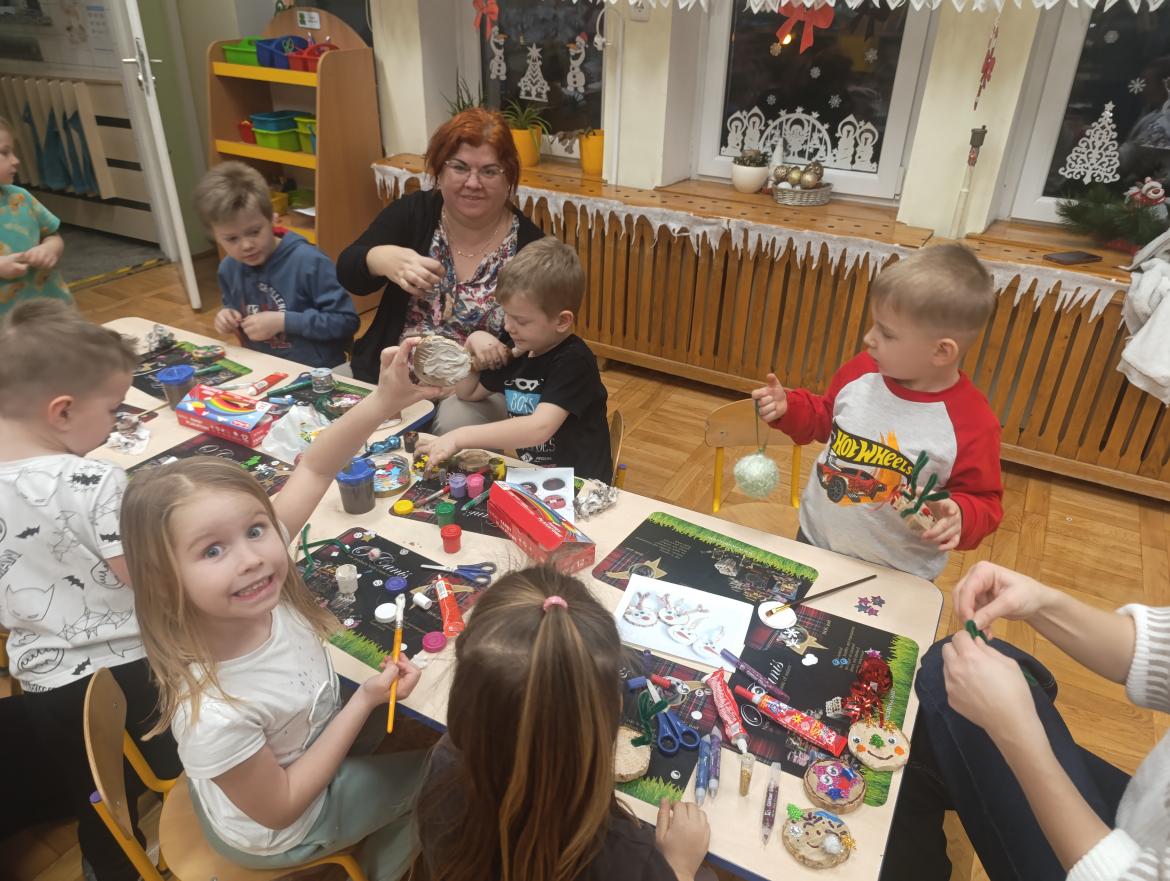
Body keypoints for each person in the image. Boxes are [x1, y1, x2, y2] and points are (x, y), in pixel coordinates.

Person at [120, 341, 441, 881]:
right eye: (212, 550)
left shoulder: (249, 578)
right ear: (164, 578)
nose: (251, 558)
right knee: (447, 776)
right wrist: (364, 699)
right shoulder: (213, 713)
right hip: (286, 825)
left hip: (291, 752)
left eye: (255, 528)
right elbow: (284, 805)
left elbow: (315, 467)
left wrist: (384, 401)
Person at [0, 300, 180, 881]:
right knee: (183, 763)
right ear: (63, 410)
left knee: (98, 796)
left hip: (42, 683)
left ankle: (109, 868)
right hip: (133, 671)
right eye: (113, 409)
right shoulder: (94, 480)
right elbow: (149, 583)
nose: (115, 423)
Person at [415, 566, 711, 881]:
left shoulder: (444, 765)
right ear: (611, 713)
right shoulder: (629, 860)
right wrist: (680, 867)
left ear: (465, 699)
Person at [881, 561, 1155, 881]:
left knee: (939, 703)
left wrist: (1015, 731)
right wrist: (1042, 602)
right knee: (940, 687)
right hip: (1149, 811)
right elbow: (1157, 650)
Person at [751, 243, 1003, 581]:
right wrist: (789, 407)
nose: (869, 338)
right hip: (815, 541)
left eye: (886, 332)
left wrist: (961, 513)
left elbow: (986, 500)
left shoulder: (973, 424)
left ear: (941, 352)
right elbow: (825, 417)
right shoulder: (862, 371)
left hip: (896, 575)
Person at [336, 108, 544, 431]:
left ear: (509, 178)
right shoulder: (415, 213)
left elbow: (541, 341)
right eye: (459, 167)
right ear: (439, 169)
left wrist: (496, 351)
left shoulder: (530, 247)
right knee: (322, 403)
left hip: (473, 391)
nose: (473, 183)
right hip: (392, 373)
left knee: (453, 428)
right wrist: (380, 258)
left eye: (490, 171)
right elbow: (349, 272)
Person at [414, 238, 612, 482]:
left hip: (580, 484)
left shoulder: (574, 360)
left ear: (562, 321)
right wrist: (471, 344)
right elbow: (468, 392)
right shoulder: (520, 348)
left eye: (521, 320)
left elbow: (539, 429)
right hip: (535, 477)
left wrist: (459, 437)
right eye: (506, 315)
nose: (508, 326)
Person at [196, 161, 359, 369]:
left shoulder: (309, 261)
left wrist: (284, 322)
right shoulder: (228, 269)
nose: (246, 245)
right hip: (262, 367)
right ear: (216, 237)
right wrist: (227, 316)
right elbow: (234, 305)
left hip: (318, 372)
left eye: (254, 232)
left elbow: (346, 321)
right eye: (231, 239)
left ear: (273, 219)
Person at [0, 116, 71, 314]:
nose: (16, 160)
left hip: (49, 309)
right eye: (4, 152)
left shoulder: (21, 197)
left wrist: (49, 248)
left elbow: (52, 235)